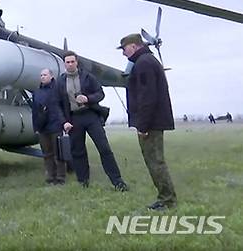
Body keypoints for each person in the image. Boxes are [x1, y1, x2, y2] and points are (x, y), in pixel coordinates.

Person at [119, 33, 177, 210]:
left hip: (151, 123)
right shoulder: (147, 61)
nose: (123, 53)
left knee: (155, 161)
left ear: (134, 46)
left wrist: (142, 125)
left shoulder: (143, 63)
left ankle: (167, 200)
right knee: (155, 160)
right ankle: (165, 198)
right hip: (153, 121)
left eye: (124, 48)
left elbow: (147, 96)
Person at [56, 51, 128, 191]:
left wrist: (88, 98)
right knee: (78, 151)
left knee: (104, 148)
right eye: (67, 62)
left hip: (90, 115)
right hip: (73, 118)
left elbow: (100, 93)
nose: (70, 64)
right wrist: (64, 121)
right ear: (64, 64)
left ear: (77, 62)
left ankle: (117, 181)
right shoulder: (60, 81)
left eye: (72, 61)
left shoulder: (87, 77)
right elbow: (57, 104)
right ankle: (83, 182)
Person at [32, 68, 66, 185]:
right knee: (47, 154)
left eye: (45, 75)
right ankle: (50, 177)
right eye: (41, 75)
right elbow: (35, 111)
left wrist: (64, 122)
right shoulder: (36, 92)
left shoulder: (58, 90)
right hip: (43, 128)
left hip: (56, 126)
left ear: (51, 76)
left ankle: (60, 178)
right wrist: (35, 127)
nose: (42, 77)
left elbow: (63, 106)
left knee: (59, 153)